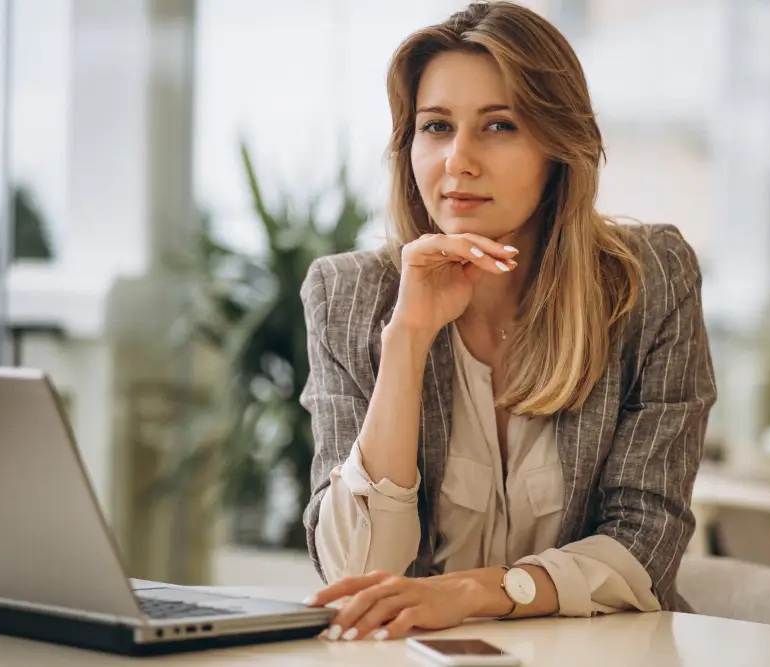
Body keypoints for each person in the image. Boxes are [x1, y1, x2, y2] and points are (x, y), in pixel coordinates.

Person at [297, 0, 717, 643]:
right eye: (435, 126)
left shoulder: (649, 280)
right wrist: (407, 340)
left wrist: (469, 593)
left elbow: (645, 545)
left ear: (559, 146)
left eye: (498, 127)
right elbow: (357, 575)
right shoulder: (348, 295)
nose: (457, 161)